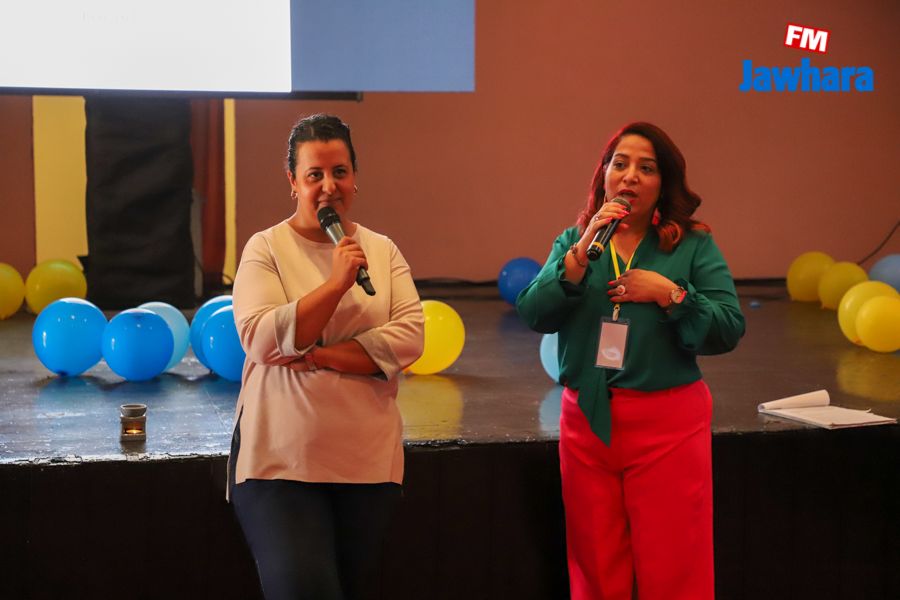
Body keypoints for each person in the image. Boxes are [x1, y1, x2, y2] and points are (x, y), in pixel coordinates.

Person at [517, 122, 745, 600]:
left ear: (663, 183)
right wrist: (579, 255)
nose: (630, 176)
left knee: (673, 565)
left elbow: (727, 328)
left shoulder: (692, 245)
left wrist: (670, 294)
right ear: (603, 175)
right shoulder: (578, 241)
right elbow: (534, 313)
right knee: (595, 565)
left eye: (647, 168)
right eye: (620, 164)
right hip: (587, 422)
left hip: (667, 425)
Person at [228, 113, 425, 600]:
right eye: (314, 174)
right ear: (293, 182)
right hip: (280, 463)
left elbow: (409, 337)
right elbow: (261, 338)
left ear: (355, 178)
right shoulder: (266, 248)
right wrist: (336, 285)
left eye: (339, 172)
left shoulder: (381, 250)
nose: (328, 186)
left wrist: (321, 356)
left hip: (367, 463)